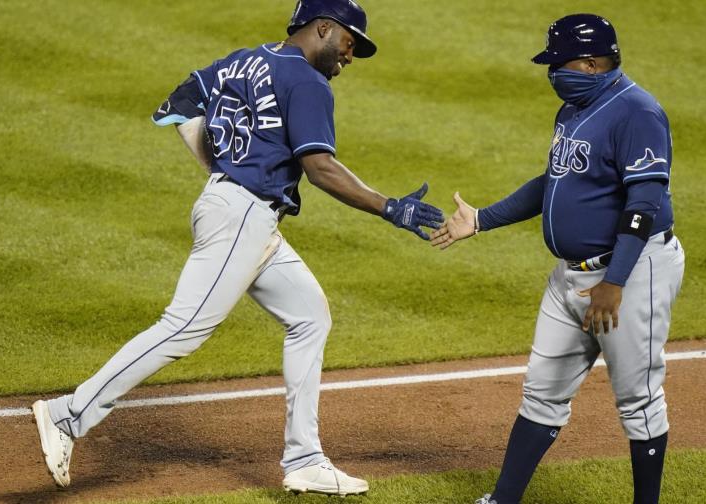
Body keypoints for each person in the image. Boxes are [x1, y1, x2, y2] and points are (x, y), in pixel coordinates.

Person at [31, 0, 444, 496]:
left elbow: (178, 106)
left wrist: (219, 170)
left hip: (235, 208)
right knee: (182, 327)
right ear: (324, 29)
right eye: (350, 44)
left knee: (310, 314)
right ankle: (67, 414)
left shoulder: (243, 59)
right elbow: (320, 168)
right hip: (243, 216)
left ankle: (305, 458)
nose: (349, 57)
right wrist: (388, 207)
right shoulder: (308, 82)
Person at [430, 13, 685, 504]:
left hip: (630, 271)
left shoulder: (638, 113)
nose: (552, 73)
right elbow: (555, 181)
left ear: (591, 63)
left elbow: (644, 204)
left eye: (559, 63)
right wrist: (481, 219)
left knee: (638, 400)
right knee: (542, 391)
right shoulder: (575, 107)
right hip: (569, 277)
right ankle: (503, 499)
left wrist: (616, 280)